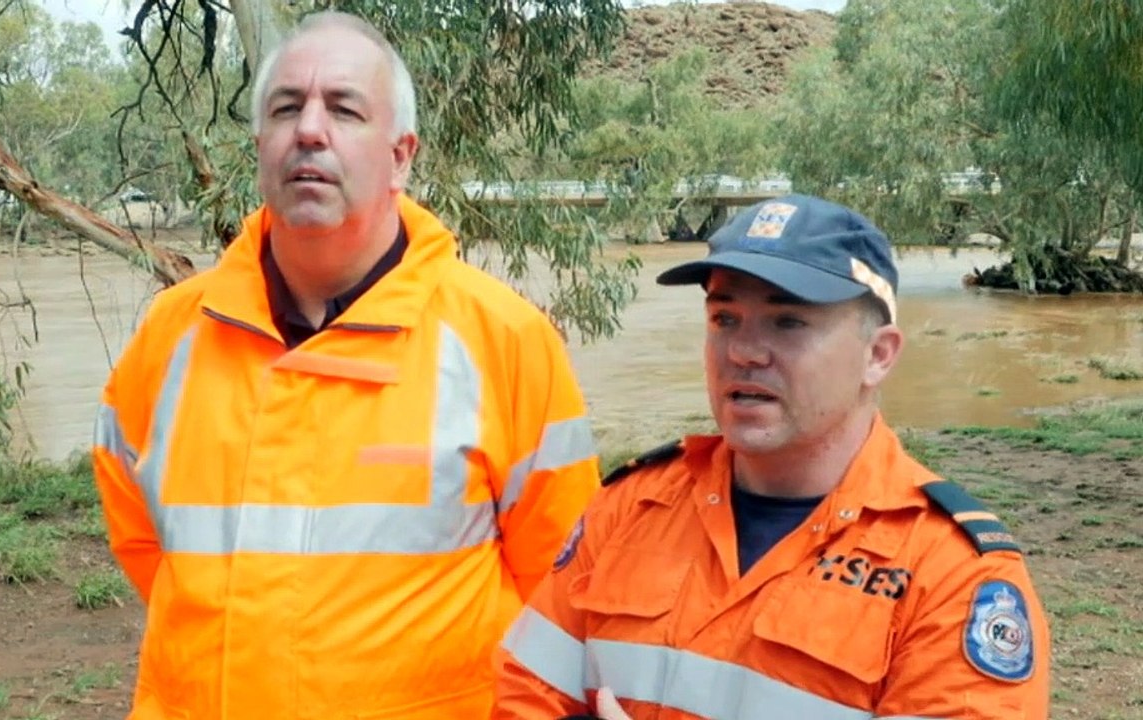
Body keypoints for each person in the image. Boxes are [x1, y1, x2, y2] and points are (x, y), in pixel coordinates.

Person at [91, 11, 600, 719]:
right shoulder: (170, 338)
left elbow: (564, 591)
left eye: (345, 109)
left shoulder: (505, 341)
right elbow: (144, 543)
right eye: (286, 107)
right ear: (260, 142)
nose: (309, 129)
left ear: (401, 155)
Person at [493, 194, 1050, 719]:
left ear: (877, 355)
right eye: (724, 319)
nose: (742, 352)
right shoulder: (628, 508)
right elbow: (526, 695)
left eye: (789, 322)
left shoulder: (950, 572)